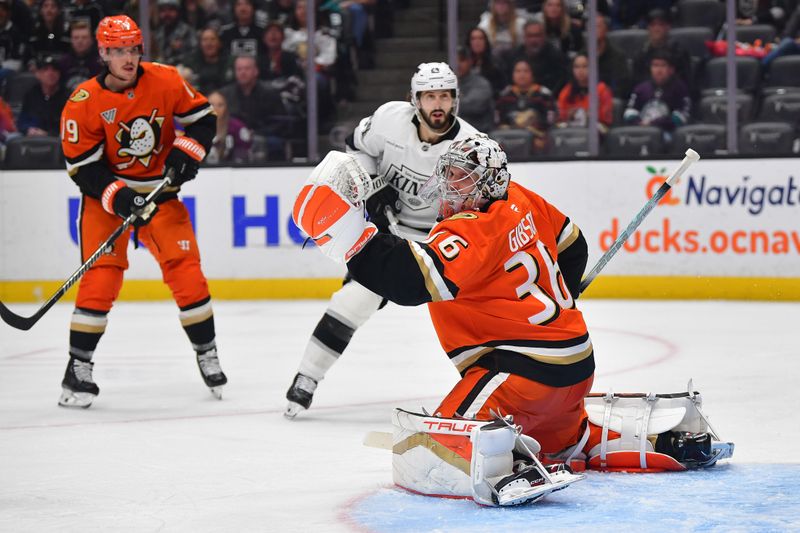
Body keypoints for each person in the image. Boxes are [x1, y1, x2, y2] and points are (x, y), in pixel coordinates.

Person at [292, 136, 734, 506]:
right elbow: (573, 245)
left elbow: (410, 280)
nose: (448, 186)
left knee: (439, 449)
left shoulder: (471, 228)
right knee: (566, 437)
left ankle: (512, 467)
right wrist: (560, 293)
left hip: (518, 375)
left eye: (459, 178)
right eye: (448, 174)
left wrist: (350, 237)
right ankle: (624, 442)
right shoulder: (521, 198)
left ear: (484, 185)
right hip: (575, 369)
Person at [284, 62, 480, 418]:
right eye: (430, 96)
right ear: (414, 99)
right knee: (351, 302)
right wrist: (373, 189)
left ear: (456, 100)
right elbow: (355, 147)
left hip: (443, 246)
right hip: (393, 235)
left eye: (445, 96)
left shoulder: (470, 145)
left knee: (471, 321)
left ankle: (493, 389)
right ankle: (306, 377)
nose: (438, 104)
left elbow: (482, 205)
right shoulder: (390, 119)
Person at [58, 15, 226, 408]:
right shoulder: (82, 102)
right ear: (102, 53)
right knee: (100, 280)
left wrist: (187, 152)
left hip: (160, 193)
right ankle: (77, 367)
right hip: (108, 201)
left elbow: (204, 119)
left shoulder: (165, 79)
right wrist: (120, 197)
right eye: (118, 51)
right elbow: (82, 168)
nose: (128, 58)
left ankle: (207, 351)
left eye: (132, 49)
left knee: (186, 272)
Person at [624, 49, 691, 141]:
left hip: (668, 133)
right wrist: (640, 123)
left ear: (671, 69)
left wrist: (653, 124)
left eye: (663, 65)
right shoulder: (641, 89)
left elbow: (680, 117)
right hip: (641, 130)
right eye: (655, 65)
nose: (658, 70)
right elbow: (629, 113)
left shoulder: (679, 88)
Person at [495, 58, 556, 154]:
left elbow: (550, 121)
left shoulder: (544, 95)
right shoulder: (505, 95)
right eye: (518, 71)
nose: (522, 75)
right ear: (513, 74)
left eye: (526, 71)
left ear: (532, 73)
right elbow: (498, 121)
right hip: (510, 138)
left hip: (536, 138)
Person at [504, 19, 568, 95]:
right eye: (530, 36)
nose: (534, 40)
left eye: (537, 35)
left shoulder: (557, 57)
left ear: (544, 36)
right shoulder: (514, 56)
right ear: (524, 37)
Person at [632, 9, 692, 89]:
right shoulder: (640, 55)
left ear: (668, 27)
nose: (657, 29)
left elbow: (687, 82)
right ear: (648, 28)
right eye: (653, 25)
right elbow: (637, 82)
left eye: (660, 25)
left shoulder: (679, 53)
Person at [556, 53, 613, 132]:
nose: (580, 70)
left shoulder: (602, 89)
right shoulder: (566, 90)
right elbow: (561, 117)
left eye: (585, 66)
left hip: (595, 128)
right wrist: (569, 115)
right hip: (572, 129)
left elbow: (606, 119)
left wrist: (589, 115)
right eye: (577, 67)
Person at [18, 54, 68, 136]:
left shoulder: (67, 96)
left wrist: (48, 134)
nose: (50, 73)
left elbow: (70, 124)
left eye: (54, 70)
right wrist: (28, 129)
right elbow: (22, 120)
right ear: (38, 74)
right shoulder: (31, 94)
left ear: (59, 74)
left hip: (59, 139)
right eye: (45, 70)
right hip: (32, 137)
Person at [206, 89, 252, 164]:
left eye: (220, 105)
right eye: (211, 104)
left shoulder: (237, 127)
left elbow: (243, 152)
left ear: (226, 107)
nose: (215, 108)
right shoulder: (196, 127)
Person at [58, 21, 102, 91]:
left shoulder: (100, 63)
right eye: (76, 38)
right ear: (71, 40)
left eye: (84, 37)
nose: (80, 41)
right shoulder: (63, 62)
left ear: (91, 40)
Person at [153, 0, 198, 66]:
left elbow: (195, 54)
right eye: (163, 11)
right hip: (160, 69)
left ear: (178, 12)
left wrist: (181, 48)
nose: (167, 14)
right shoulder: (158, 32)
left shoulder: (186, 31)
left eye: (171, 10)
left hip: (181, 68)